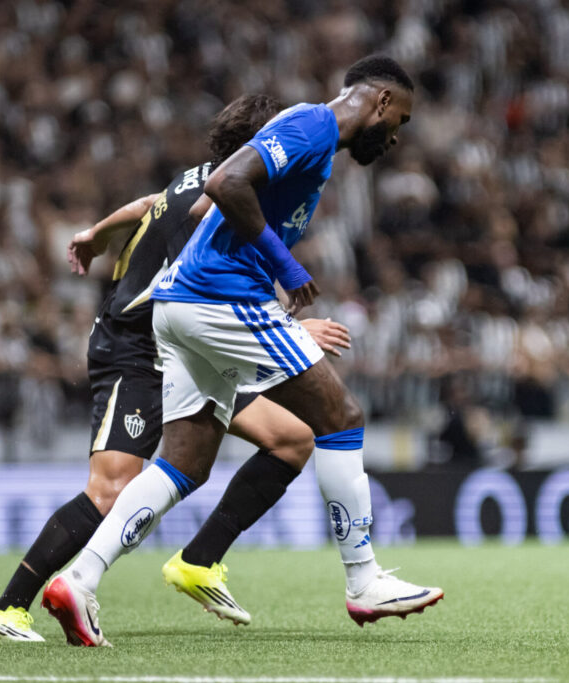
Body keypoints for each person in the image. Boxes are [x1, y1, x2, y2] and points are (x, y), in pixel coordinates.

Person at [42, 55, 443, 647]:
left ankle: (78, 579)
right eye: (400, 120)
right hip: (220, 299)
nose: (396, 136)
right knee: (340, 419)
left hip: (179, 306)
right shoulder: (311, 125)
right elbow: (221, 184)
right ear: (381, 103)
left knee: (183, 463)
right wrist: (281, 265)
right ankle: (364, 582)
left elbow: (207, 206)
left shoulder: (312, 143)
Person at [0, 95, 351, 643]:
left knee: (291, 438)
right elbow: (199, 285)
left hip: (190, 351)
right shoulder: (220, 197)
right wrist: (290, 330)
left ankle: (199, 560)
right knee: (110, 489)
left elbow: (151, 202)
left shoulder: (199, 179)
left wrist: (97, 232)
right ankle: (5, 608)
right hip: (137, 348)